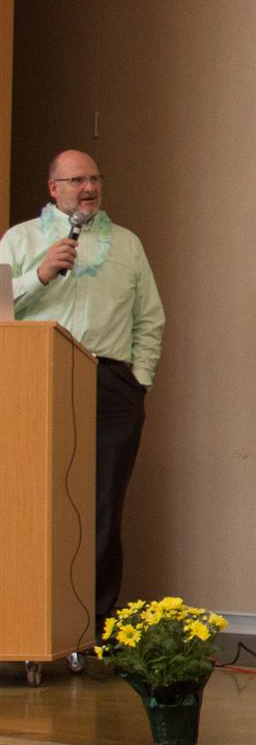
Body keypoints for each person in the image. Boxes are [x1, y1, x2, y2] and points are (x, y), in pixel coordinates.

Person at [2, 150, 165, 629]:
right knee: (30, 501)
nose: (88, 187)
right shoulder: (21, 239)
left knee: (103, 508)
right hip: (36, 383)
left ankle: (94, 623)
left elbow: (150, 316)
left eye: (94, 178)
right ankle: (28, 619)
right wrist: (40, 274)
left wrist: (140, 380)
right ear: (54, 189)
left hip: (112, 385)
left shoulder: (129, 245)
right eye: (75, 180)